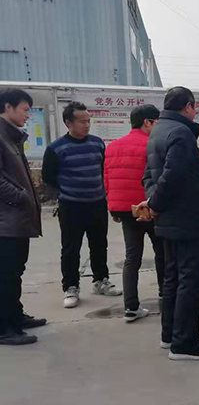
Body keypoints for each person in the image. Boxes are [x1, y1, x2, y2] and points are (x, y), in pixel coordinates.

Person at [138, 86, 199, 361]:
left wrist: (153, 202)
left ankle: (171, 334)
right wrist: (156, 204)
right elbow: (173, 176)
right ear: (188, 106)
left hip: (170, 219)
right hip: (187, 218)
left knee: (172, 277)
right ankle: (184, 343)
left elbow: (149, 176)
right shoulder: (181, 133)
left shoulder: (158, 131)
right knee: (191, 280)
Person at [42, 101, 121, 309]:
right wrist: (66, 193)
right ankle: (71, 287)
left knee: (99, 244)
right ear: (69, 123)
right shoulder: (56, 148)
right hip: (71, 206)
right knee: (71, 248)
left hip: (97, 203)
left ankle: (101, 280)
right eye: (82, 121)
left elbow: (102, 169)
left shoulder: (97, 143)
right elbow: (48, 177)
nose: (87, 125)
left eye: (88, 121)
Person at [104, 104, 164, 323]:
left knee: (132, 258)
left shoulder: (112, 147)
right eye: (156, 122)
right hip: (149, 207)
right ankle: (165, 295)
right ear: (147, 122)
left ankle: (130, 307)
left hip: (125, 210)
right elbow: (157, 178)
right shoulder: (152, 145)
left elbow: (107, 180)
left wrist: (113, 208)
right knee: (162, 252)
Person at [0, 88, 46, 345]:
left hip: (14, 220)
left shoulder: (10, 136)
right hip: (5, 222)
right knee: (5, 275)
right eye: (25, 109)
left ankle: (15, 317)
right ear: (8, 107)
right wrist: (21, 197)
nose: (28, 115)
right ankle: (4, 328)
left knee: (15, 272)